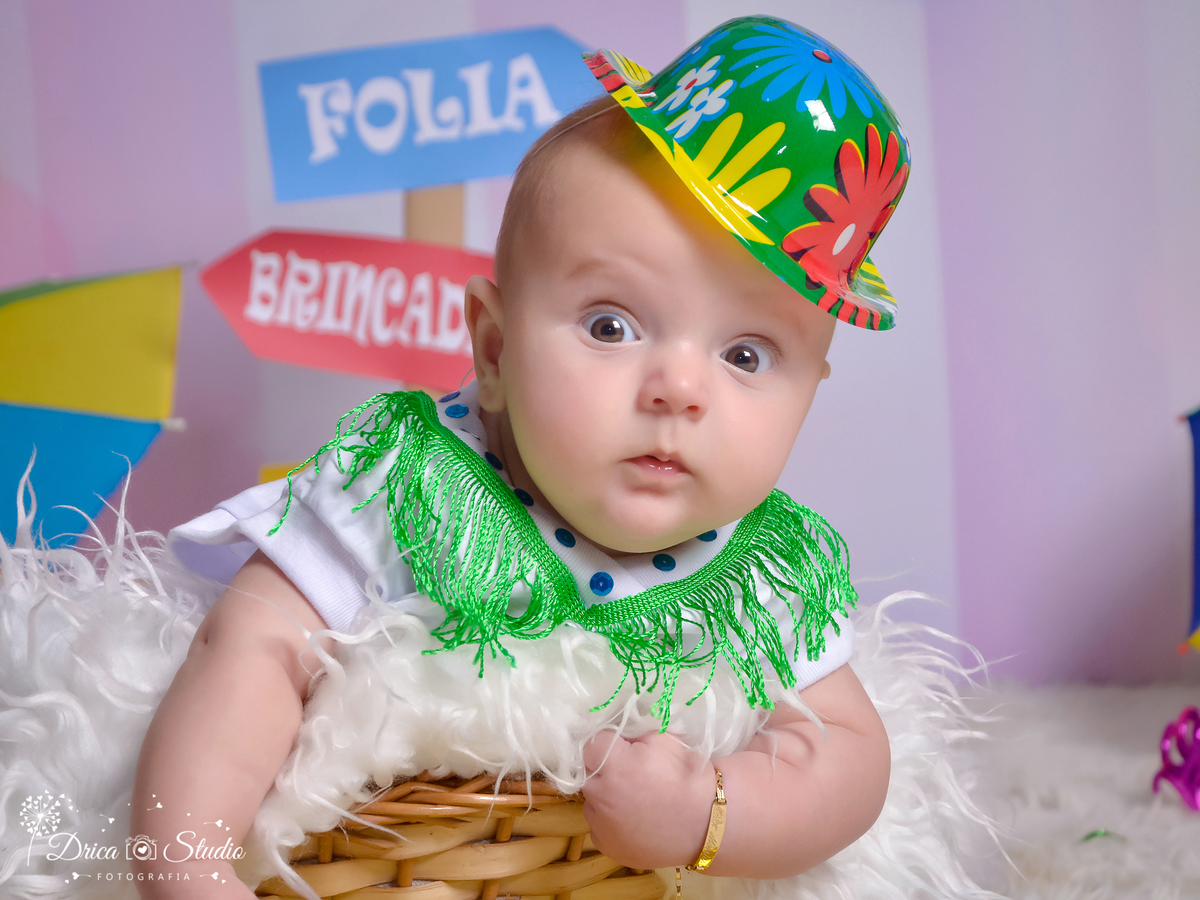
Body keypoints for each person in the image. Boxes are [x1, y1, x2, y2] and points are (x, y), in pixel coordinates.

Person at [132, 16, 910, 898]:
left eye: (746, 356)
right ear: (493, 352)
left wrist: (711, 814)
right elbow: (252, 646)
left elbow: (851, 756)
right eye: (611, 326)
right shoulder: (416, 482)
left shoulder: (765, 574)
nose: (680, 390)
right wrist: (190, 871)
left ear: (811, 391)